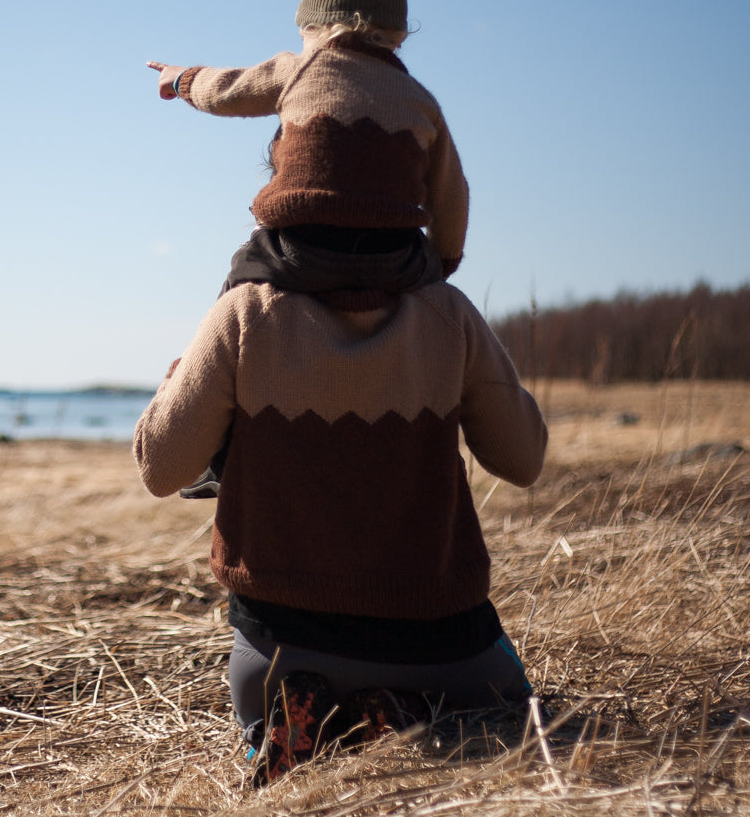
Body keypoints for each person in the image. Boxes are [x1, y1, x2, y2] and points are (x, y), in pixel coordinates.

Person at [133, 276, 547, 785]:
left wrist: (178, 378)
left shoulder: (244, 310)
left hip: (277, 657)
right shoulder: (447, 313)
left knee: (259, 711)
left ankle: (275, 733)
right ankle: (403, 717)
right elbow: (524, 459)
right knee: (507, 705)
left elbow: (161, 467)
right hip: (444, 653)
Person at [147, 0, 470, 498]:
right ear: (397, 34)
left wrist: (180, 79)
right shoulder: (420, 100)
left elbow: (229, 89)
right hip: (397, 256)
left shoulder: (299, 69)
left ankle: (216, 455)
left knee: (238, 287)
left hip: (300, 246)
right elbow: (452, 191)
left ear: (321, 27)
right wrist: (441, 262)